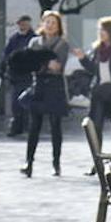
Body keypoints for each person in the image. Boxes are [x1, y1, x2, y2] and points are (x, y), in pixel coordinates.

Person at [21, 10, 79, 178]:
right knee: (34, 126)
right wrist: (45, 63)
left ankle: (56, 163)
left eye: (53, 22)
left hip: (55, 86)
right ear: (42, 24)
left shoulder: (62, 44)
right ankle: (29, 162)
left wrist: (41, 62)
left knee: (55, 126)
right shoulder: (34, 42)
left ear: (58, 26)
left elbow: (57, 66)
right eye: (47, 22)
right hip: (38, 85)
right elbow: (31, 64)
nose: (50, 25)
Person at [72, 16, 111, 159]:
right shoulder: (97, 49)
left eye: (103, 29)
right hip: (99, 92)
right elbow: (93, 70)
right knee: (96, 127)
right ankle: (97, 161)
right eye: (99, 29)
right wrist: (83, 59)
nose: (100, 32)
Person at [3, 15, 36, 137]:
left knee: (27, 101)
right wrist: (5, 66)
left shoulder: (34, 38)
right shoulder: (14, 39)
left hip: (29, 75)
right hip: (16, 75)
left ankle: (28, 126)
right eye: (21, 23)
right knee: (16, 102)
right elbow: (6, 54)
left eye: (25, 23)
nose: (23, 25)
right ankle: (17, 126)